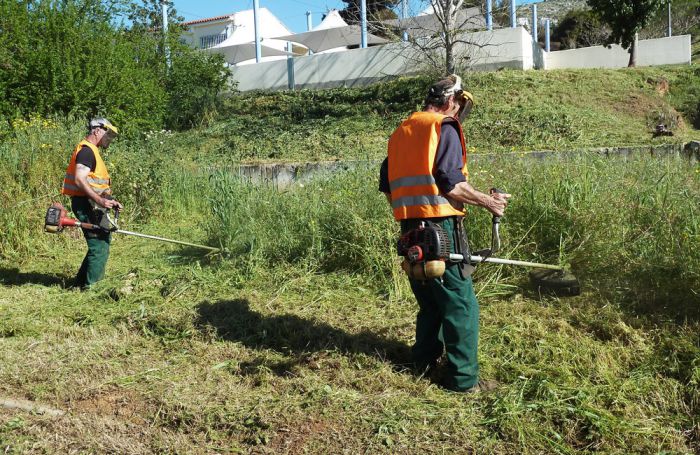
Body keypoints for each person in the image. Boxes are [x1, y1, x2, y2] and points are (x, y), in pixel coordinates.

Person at [379, 75, 511, 393]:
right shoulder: (443, 127)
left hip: (410, 228)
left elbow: (387, 186)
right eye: (460, 105)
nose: (460, 112)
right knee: (460, 304)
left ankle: (423, 363)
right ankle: (463, 381)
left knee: (430, 302)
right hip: (440, 227)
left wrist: (411, 216)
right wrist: (489, 202)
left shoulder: (401, 132)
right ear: (452, 101)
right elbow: (451, 183)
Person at [61, 118, 123, 289]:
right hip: (87, 204)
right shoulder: (87, 151)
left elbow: (95, 183)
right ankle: (93, 288)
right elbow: (80, 180)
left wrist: (109, 200)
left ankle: (80, 283)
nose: (109, 139)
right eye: (108, 134)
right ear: (97, 131)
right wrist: (100, 200)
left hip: (93, 203)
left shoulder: (92, 151)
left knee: (100, 242)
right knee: (99, 245)